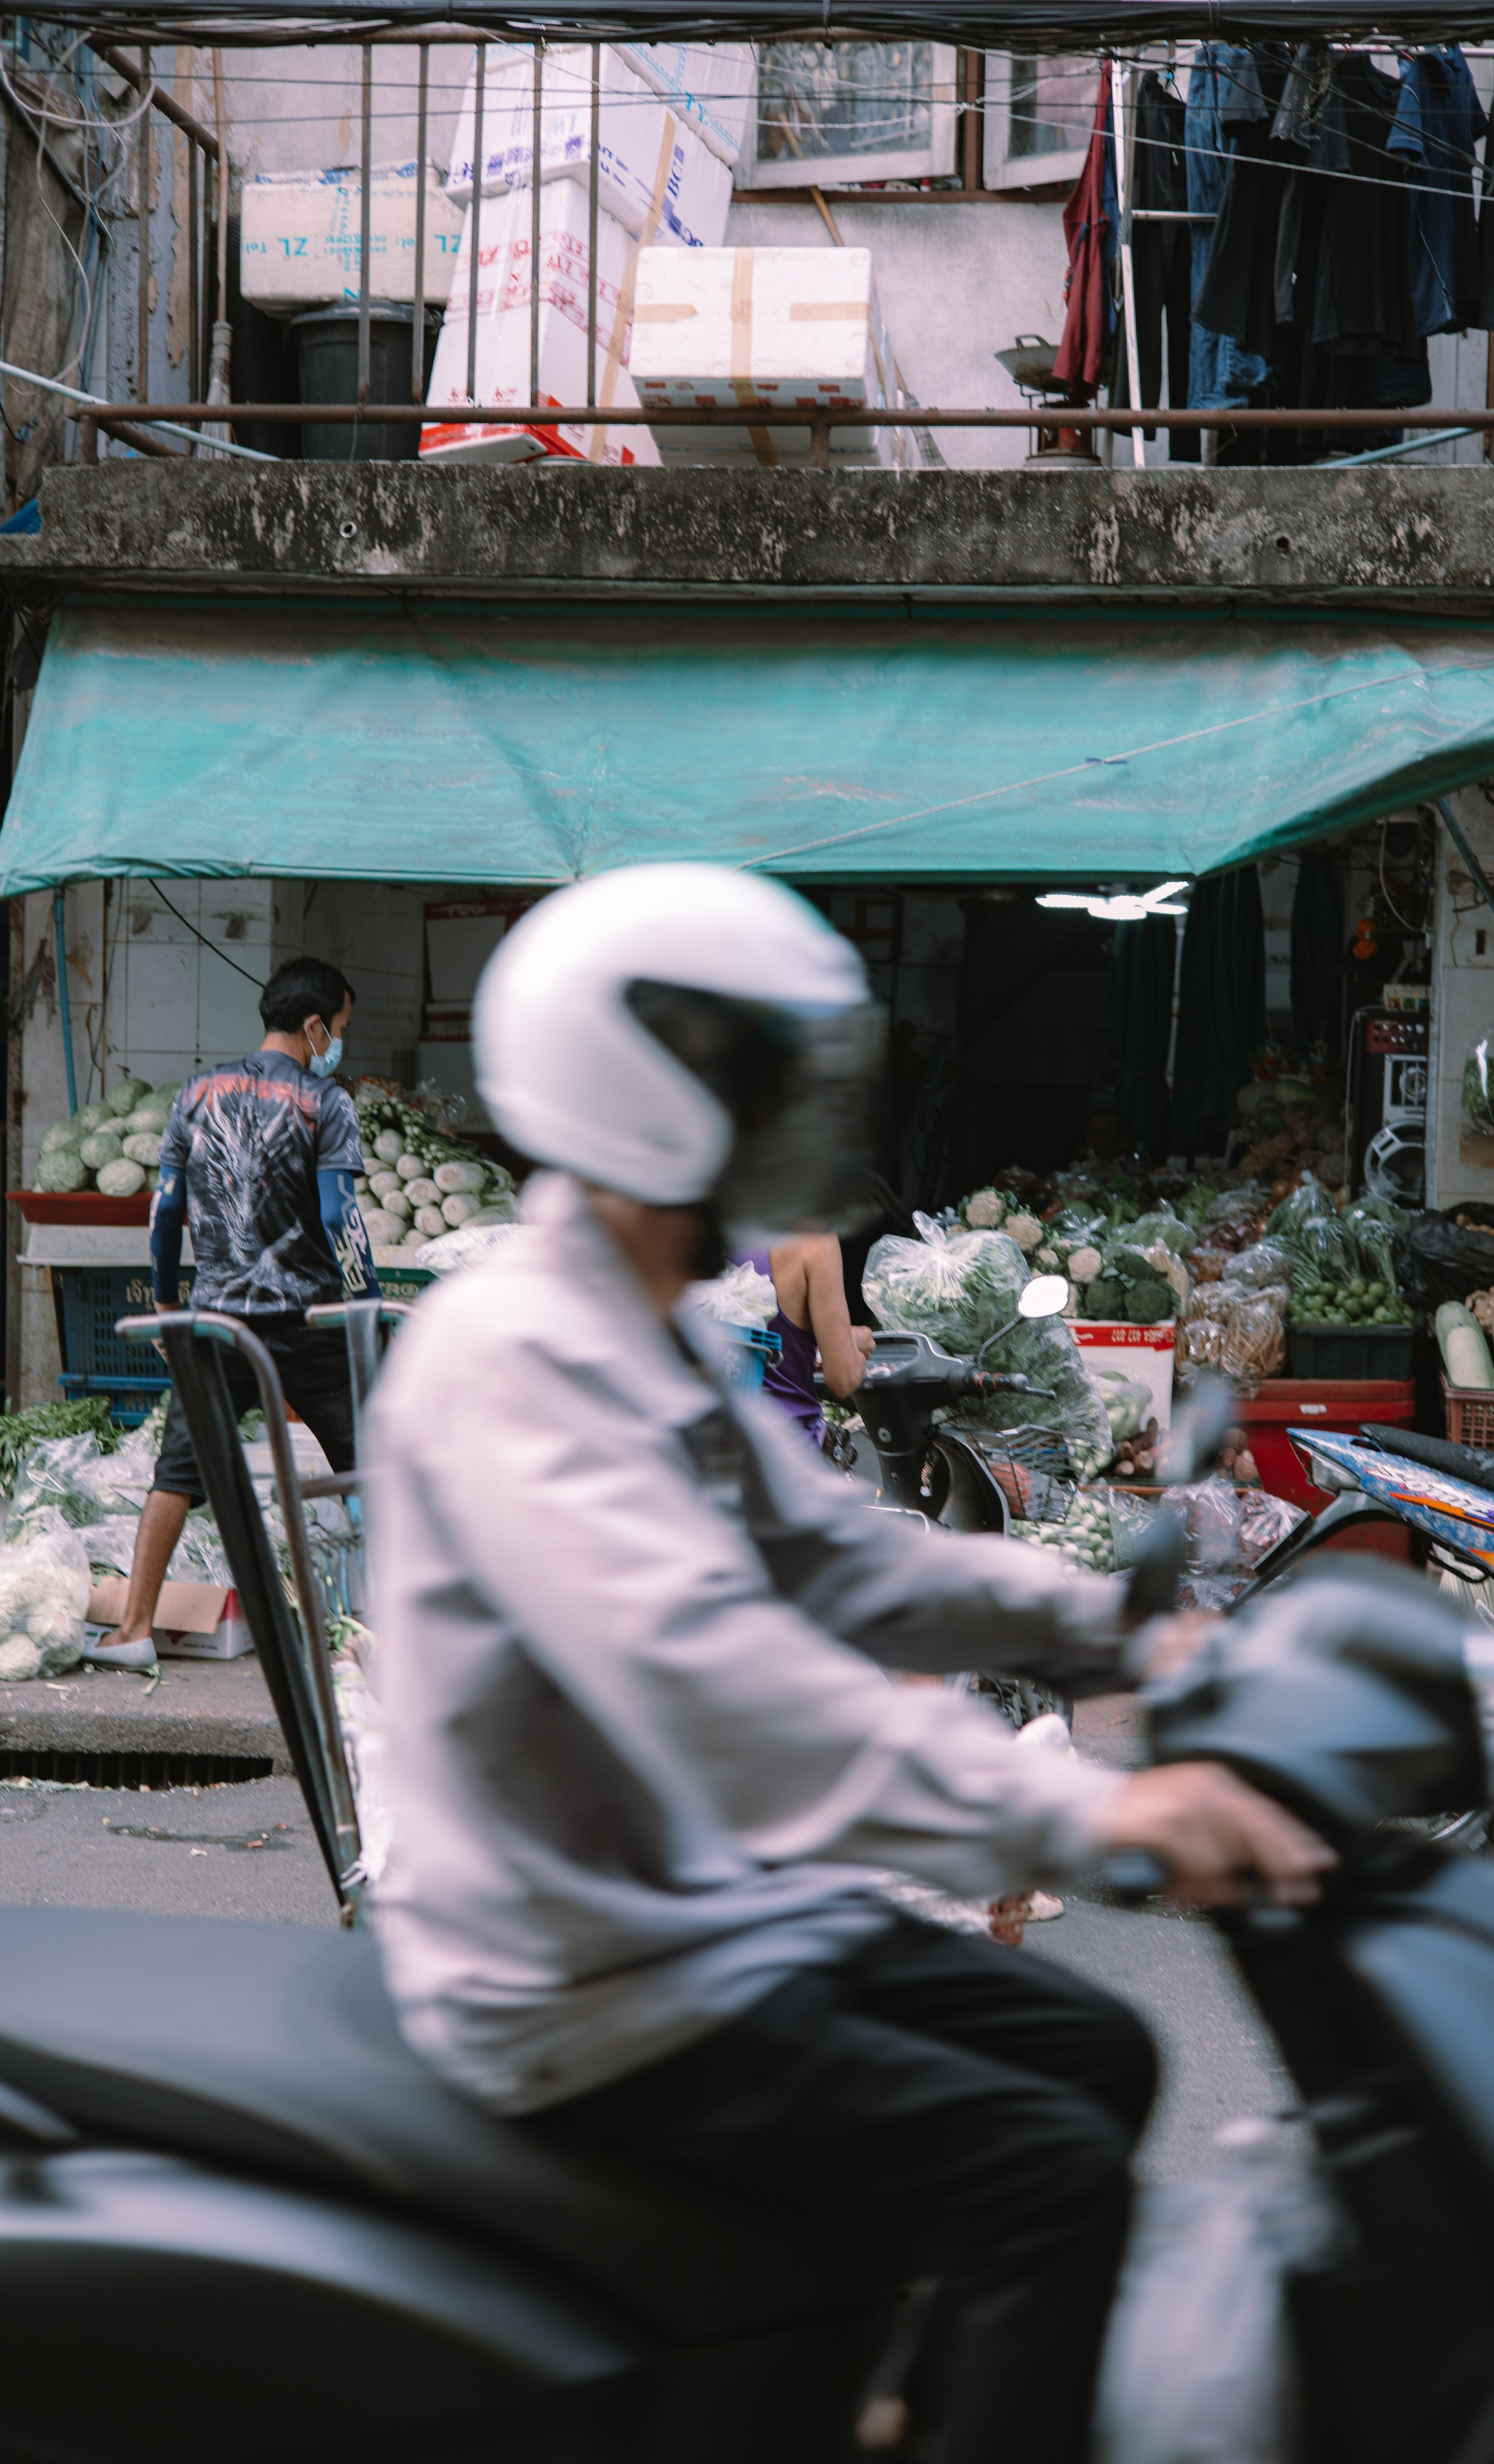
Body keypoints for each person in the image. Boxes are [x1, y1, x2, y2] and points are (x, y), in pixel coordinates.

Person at [364, 866, 1332, 2464]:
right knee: (1045, 2164)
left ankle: (887, 2398)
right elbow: (736, 1701)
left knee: (1095, 2045)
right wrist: (1084, 1822)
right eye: (765, 1086)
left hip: (693, 1914)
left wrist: (1092, 1620)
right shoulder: (521, 1359)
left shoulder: (643, 1322)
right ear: (658, 1096)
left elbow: (827, 1553)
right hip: (593, 1976)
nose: (793, 1129)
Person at [89, 957, 379, 1670]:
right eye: (337, 1028)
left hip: (218, 1322)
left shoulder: (196, 1093)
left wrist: (164, 1300)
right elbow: (341, 1215)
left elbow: (165, 1211)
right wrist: (365, 1300)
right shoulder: (326, 1103)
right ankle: (388, 1628)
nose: (337, 1041)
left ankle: (132, 1632)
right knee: (373, 1464)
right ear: (314, 1025)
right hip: (310, 1322)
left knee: (177, 1475)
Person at [732, 1234, 874, 1442]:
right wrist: (854, 1343)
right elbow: (843, 1380)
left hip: (707, 1452)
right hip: (791, 1454)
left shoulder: (697, 1228)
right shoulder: (815, 1239)